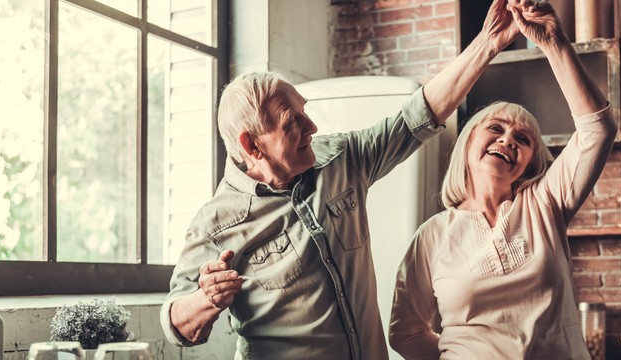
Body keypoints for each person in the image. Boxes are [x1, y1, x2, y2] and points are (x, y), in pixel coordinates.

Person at [159, 0, 521, 358]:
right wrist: (205, 299)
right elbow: (176, 324)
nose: (311, 128)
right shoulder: (216, 223)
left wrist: (487, 42)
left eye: (305, 111)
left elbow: (417, 116)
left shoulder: (340, 159)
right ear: (252, 145)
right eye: (292, 123)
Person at [388, 0, 617, 359]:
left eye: (522, 139)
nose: (507, 139)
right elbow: (406, 334)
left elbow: (598, 129)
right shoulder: (432, 236)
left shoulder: (544, 203)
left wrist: (553, 42)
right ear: (467, 145)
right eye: (495, 128)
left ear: (527, 163)